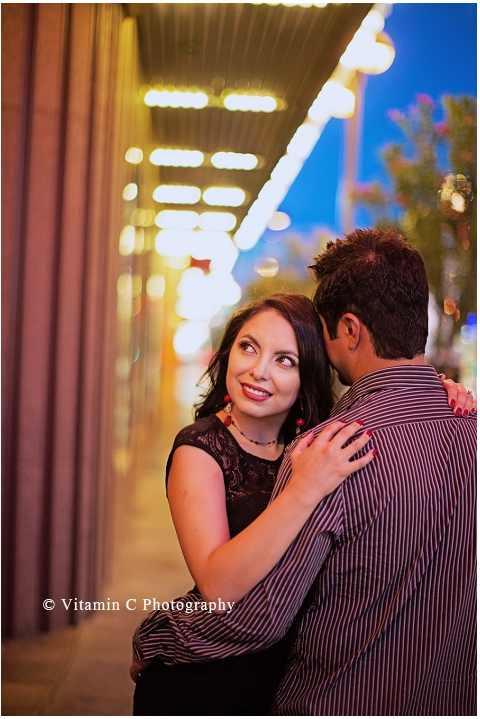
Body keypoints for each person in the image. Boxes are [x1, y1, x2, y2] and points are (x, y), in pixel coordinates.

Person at [132, 228, 477, 715]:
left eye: (286, 359)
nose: (260, 371)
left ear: (348, 333)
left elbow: (261, 617)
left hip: (332, 698)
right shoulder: (463, 427)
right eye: (248, 348)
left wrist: (160, 637)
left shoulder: (332, 449)